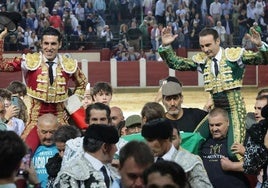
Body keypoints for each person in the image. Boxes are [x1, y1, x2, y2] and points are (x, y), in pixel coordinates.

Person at [158, 26, 268, 160]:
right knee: (194, 140)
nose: (205, 49)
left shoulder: (234, 56)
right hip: (216, 110)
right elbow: (176, 63)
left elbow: (262, 59)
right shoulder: (203, 61)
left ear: (218, 41)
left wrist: (260, 45)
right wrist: (166, 45)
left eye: (208, 45)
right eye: (202, 46)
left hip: (235, 110)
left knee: (234, 151)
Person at [0, 26, 87, 150]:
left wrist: (71, 105)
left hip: (60, 117)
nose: (49, 48)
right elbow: (1, 65)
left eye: (53, 44)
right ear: (41, 44)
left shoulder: (68, 64)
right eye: (46, 43)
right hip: (36, 119)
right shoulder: (29, 60)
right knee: (24, 152)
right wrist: (1, 38)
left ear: (60, 44)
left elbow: (82, 83)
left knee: (74, 150)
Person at [141, 118, 213, 187]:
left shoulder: (190, 162)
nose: (147, 144)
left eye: (150, 140)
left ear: (164, 139)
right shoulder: (146, 162)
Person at [54, 124, 119, 187]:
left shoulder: (112, 170)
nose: (116, 149)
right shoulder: (71, 174)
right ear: (105, 147)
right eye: (114, 145)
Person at [199, 108, 250, 187]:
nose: (214, 129)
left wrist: (232, 166)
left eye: (218, 125)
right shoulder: (203, 143)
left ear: (228, 122)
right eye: (211, 125)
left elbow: (255, 165)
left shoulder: (239, 140)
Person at [244, 95, 268, 187]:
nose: (256, 112)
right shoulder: (254, 131)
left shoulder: (255, 131)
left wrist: (244, 151)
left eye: (260, 109)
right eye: (255, 108)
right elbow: (249, 166)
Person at [32, 113, 59, 188]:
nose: (48, 136)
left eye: (52, 132)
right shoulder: (30, 149)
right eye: (44, 132)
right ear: (37, 131)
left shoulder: (63, 150)